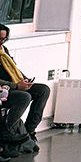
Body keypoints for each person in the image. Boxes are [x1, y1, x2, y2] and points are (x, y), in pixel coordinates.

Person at [0, 24, 51, 152]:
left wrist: (24, 80)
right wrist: (16, 86)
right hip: (5, 89)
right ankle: (8, 131)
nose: (1, 42)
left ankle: (30, 130)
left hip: (14, 84)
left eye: (3, 39)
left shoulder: (3, 50)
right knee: (24, 97)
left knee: (43, 90)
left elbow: (13, 69)